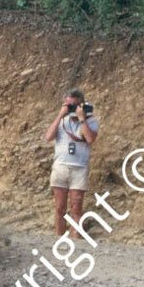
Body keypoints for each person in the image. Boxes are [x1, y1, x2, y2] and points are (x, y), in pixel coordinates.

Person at [43, 89, 99, 236]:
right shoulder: (62, 120)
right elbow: (48, 137)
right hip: (60, 167)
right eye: (68, 105)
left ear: (81, 105)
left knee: (76, 207)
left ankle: (76, 240)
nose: (71, 109)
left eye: (74, 105)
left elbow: (90, 139)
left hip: (79, 168)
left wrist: (81, 119)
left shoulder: (91, 120)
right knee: (59, 207)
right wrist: (60, 115)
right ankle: (59, 238)